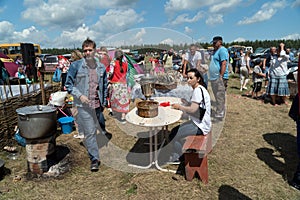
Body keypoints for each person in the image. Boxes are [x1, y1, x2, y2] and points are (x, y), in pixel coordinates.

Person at [65, 38, 108, 171]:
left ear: (95, 51)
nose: (87, 53)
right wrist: (80, 95)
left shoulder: (101, 67)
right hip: (83, 106)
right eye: (85, 51)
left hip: (97, 104)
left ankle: (100, 137)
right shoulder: (76, 66)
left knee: (100, 125)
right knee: (90, 132)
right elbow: (68, 85)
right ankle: (94, 158)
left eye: (90, 50)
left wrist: (104, 101)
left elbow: (105, 85)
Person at [168, 68, 211, 163]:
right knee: (174, 131)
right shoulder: (200, 88)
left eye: (191, 78)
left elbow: (193, 109)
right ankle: (180, 155)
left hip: (200, 126)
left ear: (198, 79)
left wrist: (179, 107)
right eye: (187, 78)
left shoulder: (197, 91)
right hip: (200, 122)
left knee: (173, 134)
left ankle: (178, 157)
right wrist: (187, 103)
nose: (188, 80)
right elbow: (196, 107)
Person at [208, 36, 229, 119]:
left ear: (220, 42)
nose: (213, 44)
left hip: (220, 77)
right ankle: (219, 110)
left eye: (215, 42)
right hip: (214, 77)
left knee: (220, 94)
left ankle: (220, 113)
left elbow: (224, 63)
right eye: (213, 43)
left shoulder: (222, 50)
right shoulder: (215, 51)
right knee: (216, 95)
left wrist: (221, 75)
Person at [109, 49, 130, 123]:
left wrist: (108, 78)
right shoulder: (126, 64)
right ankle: (123, 116)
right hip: (123, 84)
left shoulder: (113, 63)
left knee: (116, 100)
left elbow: (111, 73)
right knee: (123, 100)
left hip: (116, 84)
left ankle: (117, 114)